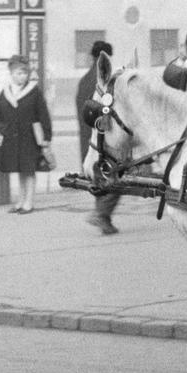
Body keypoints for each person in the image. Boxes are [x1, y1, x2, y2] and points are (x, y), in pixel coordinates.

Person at [0, 55, 52, 214]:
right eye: (19, 73)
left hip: (30, 137)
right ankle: (20, 200)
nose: (22, 76)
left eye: (25, 73)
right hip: (12, 138)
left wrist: (46, 137)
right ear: (11, 74)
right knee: (19, 169)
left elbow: (43, 115)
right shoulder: (5, 93)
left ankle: (29, 202)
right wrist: (3, 130)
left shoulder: (34, 92)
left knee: (29, 169)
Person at [76, 40, 120, 234]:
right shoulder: (105, 80)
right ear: (106, 57)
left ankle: (104, 218)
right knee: (117, 175)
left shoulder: (84, 79)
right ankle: (101, 215)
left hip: (87, 138)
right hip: (103, 137)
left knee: (100, 177)